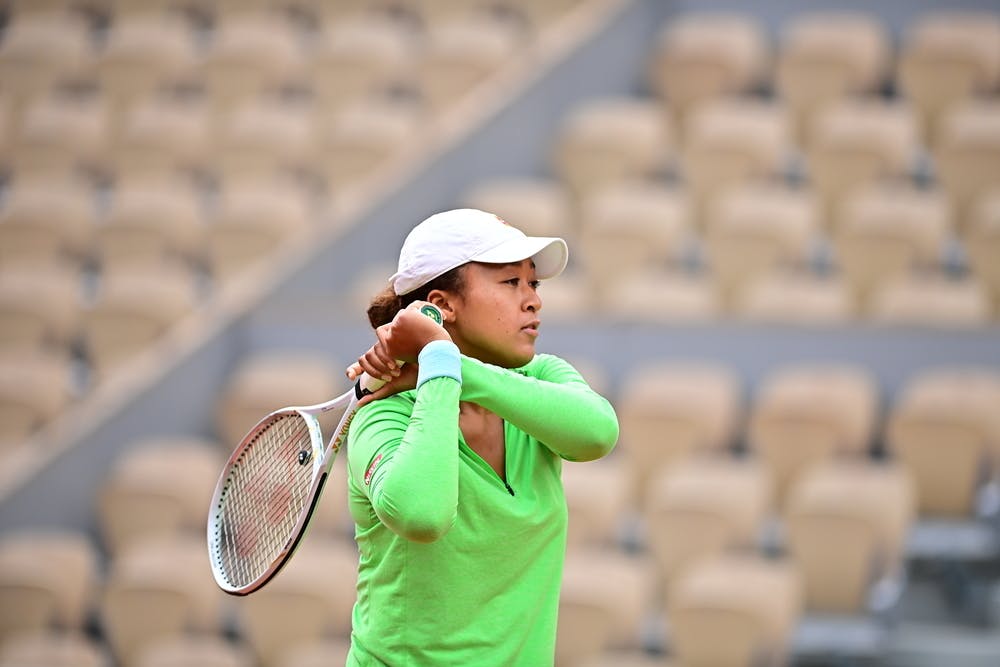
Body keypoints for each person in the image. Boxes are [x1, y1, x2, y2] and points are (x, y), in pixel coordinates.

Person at [343, 208, 619, 666]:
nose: (533, 300)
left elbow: (598, 433)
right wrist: (439, 367)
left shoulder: (541, 376)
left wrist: (443, 360)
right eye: (511, 283)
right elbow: (423, 514)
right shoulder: (382, 417)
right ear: (442, 305)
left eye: (534, 284)